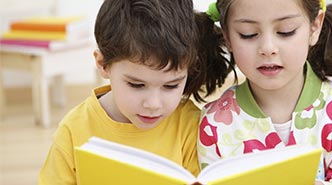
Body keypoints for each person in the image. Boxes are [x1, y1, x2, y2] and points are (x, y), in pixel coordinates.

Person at [38, 0, 234, 184]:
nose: (153, 104)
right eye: (137, 85)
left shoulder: (189, 124)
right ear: (103, 64)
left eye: (171, 86)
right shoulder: (74, 130)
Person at [196, 0, 332, 184]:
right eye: (248, 34)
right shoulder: (214, 124)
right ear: (227, 37)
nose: (268, 49)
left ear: (315, 27)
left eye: (286, 31)